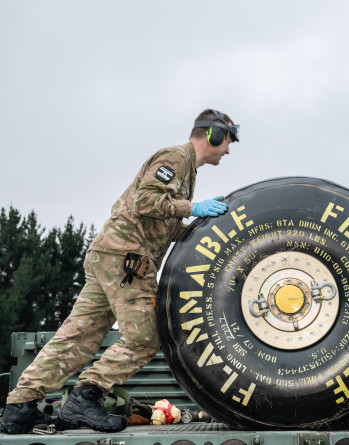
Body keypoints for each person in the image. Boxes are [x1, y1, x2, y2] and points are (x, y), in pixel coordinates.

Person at [1, 109, 239, 434]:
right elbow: (145, 200)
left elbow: (161, 222)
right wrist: (191, 208)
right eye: (229, 139)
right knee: (144, 337)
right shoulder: (176, 157)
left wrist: (197, 231)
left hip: (110, 254)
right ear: (213, 134)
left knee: (78, 336)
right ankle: (87, 396)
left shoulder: (187, 171)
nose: (228, 149)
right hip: (127, 257)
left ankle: (19, 407)